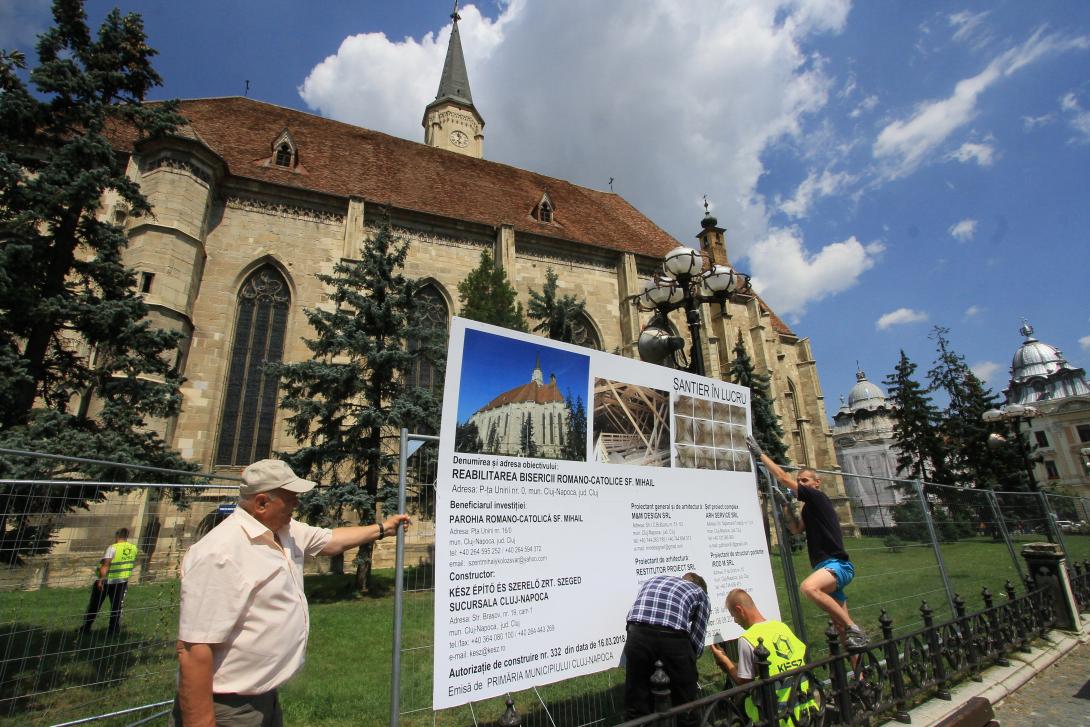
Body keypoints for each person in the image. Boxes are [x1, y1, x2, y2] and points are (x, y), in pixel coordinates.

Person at [170, 459, 411, 727]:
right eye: (290, 498)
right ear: (261, 503)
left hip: (264, 697)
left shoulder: (284, 531)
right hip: (228, 707)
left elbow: (330, 541)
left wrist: (382, 529)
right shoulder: (221, 553)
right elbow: (194, 650)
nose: (297, 505)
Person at [746, 435, 868, 651]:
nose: (801, 484)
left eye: (805, 481)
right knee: (840, 630)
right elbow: (796, 530)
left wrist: (760, 454)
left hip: (837, 565)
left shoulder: (818, 498)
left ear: (816, 483)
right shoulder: (808, 507)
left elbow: (783, 477)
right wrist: (785, 506)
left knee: (808, 588)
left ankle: (854, 627)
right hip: (824, 567)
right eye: (800, 480)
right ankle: (858, 675)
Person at [709, 589, 817, 725]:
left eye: (733, 616)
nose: (735, 621)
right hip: (805, 708)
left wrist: (725, 661)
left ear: (739, 610)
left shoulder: (748, 638)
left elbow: (745, 682)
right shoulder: (781, 627)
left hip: (777, 715)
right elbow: (770, 667)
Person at [623, 572, 710, 726]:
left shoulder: (654, 579)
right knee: (685, 704)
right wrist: (685, 669)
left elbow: (635, 613)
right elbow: (696, 644)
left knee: (637, 704)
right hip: (672, 638)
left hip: (637, 633)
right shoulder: (700, 594)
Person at [80, 527, 138, 636]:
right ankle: (113, 630)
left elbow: (106, 564)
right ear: (126, 537)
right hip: (122, 581)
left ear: (117, 536)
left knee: (95, 604)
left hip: (108, 581)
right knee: (117, 607)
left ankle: (86, 627)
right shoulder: (133, 548)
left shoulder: (112, 548)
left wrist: (101, 579)